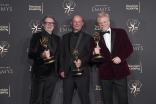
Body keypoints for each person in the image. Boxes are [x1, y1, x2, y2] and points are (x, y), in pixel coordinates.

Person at [90, 12, 133, 104]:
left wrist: (120, 58)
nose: (103, 24)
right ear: (98, 24)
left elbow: (129, 48)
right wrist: (94, 53)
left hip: (120, 71)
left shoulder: (121, 32)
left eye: (105, 22)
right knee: (107, 100)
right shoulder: (95, 37)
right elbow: (90, 57)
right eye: (100, 23)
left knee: (123, 100)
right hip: (105, 73)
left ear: (109, 22)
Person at [28, 15, 60, 104]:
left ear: (54, 25)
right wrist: (42, 54)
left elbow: (59, 56)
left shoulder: (57, 39)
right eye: (47, 23)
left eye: (51, 23)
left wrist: (59, 71)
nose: (49, 25)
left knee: (47, 101)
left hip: (52, 74)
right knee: (36, 100)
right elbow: (31, 54)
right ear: (43, 24)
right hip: (39, 73)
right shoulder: (36, 36)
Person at [59, 15, 91, 104]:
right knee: (66, 100)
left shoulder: (88, 37)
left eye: (79, 21)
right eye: (75, 21)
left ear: (82, 23)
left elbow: (90, 55)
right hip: (68, 73)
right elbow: (61, 54)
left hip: (82, 73)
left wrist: (82, 61)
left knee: (85, 100)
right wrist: (62, 69)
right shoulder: (64, 37)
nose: (77, 23)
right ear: (71, 23)